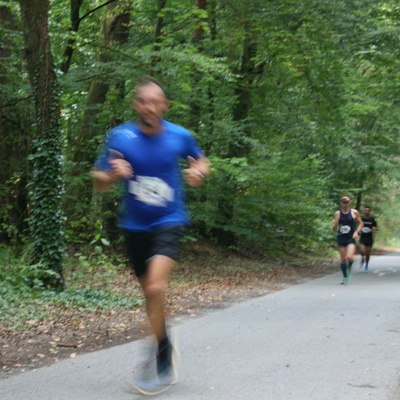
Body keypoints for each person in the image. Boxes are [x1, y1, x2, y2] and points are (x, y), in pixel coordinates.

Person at [91, 76, 210, 392]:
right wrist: (110, 174)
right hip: (134, 226)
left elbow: (201, 160)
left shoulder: (179, 135)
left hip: (169, 221)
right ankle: (164, 344)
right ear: (136, 104)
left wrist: (198, 172)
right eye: (144, 101)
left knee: (156, 287)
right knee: (150, 294)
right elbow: (98, 180)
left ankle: (153, 361)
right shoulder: (121, 137)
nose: (150, 107)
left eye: (156, 101)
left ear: (165, 105)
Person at [332, 196, 363, 285]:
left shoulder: (354, 212)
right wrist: (336, 222)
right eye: (344, 202)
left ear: (349, 203)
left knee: (349, 257)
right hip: (341, 237)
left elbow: (361, 223)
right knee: (343, 259)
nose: (345, 204)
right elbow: (334, 229)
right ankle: (345, 276)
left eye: (347, 202)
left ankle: (350, 266)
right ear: (341, 203)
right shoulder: (337, 213)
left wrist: (356, 232)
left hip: (350, 238)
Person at [359, 206, 378, 272]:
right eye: (365, 210)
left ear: (369, 211)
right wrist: (359, 231)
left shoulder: (372, 219)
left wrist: (373, 230)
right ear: (364, 211)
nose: (366, 211)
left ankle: (366, 265)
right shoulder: (362, 219)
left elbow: (376, 227)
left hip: (369, 238)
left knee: (368, 253)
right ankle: (362, 258)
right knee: (362, 251)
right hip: (363, 237)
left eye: (368, 210)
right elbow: (359, 226)